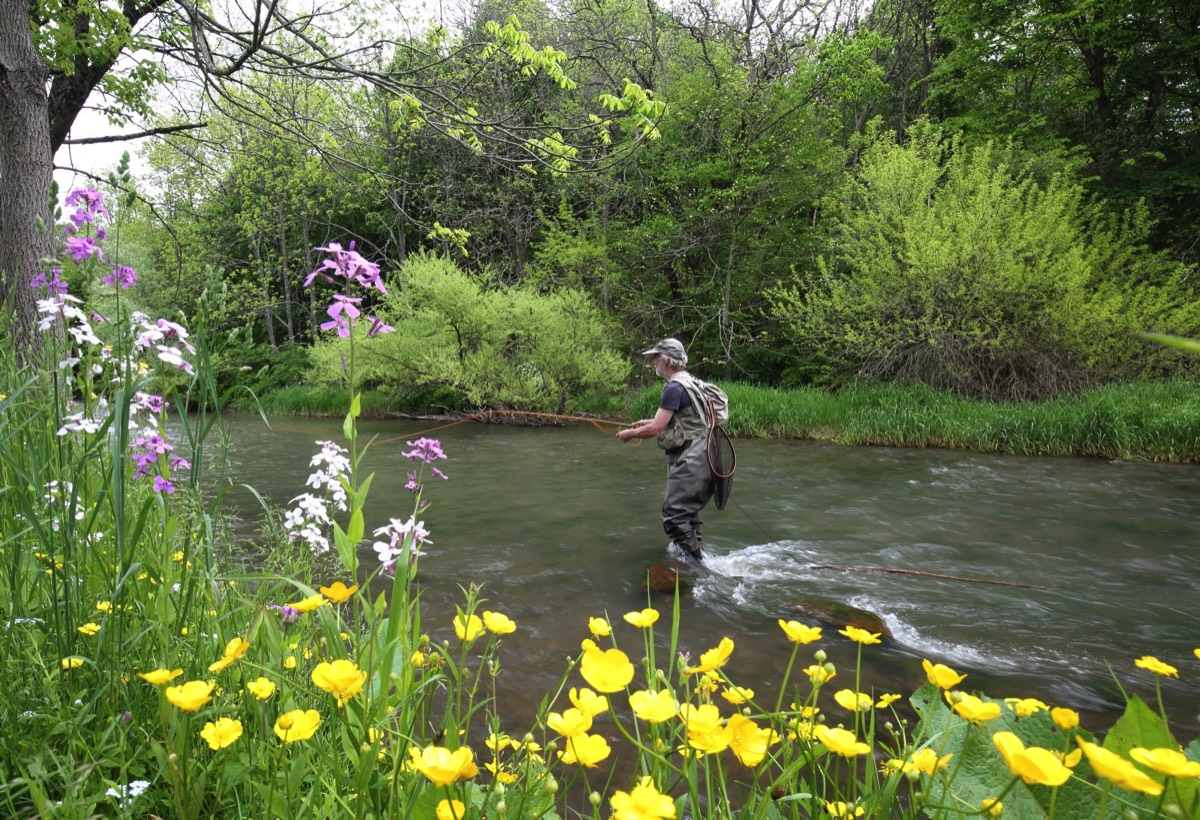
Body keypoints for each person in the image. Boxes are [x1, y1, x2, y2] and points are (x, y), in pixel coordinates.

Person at [616, 338, 714, 561]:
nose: (653, 362)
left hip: (692, 458)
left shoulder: (673, 387)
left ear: (667, 360)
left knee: (673, 515)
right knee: (687, 513)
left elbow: (657, 428)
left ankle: (697, 563)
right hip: (706, 453)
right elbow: (683, 419)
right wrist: (646, 423)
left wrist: (629, 434)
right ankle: (694, 561)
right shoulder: (689, 381)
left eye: (656, 358)